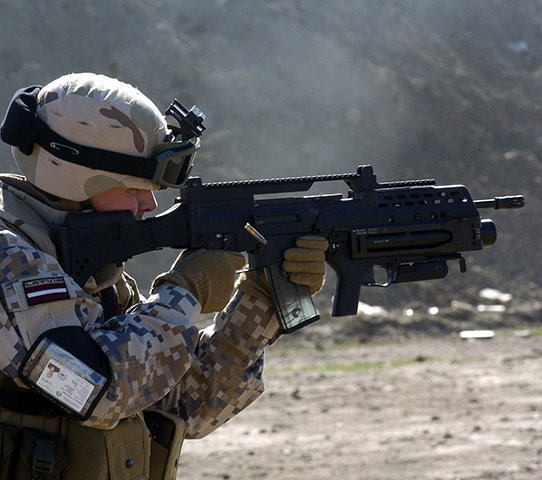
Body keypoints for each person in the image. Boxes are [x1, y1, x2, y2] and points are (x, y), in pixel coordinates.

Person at [0, 72, 328, 479]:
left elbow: (191, 402)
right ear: (76, 179)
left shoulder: (94, 276)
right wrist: (186, 292)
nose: (150, 204)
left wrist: (260, 298)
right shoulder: (9, 258)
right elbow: (95, 392)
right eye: (134, 188)